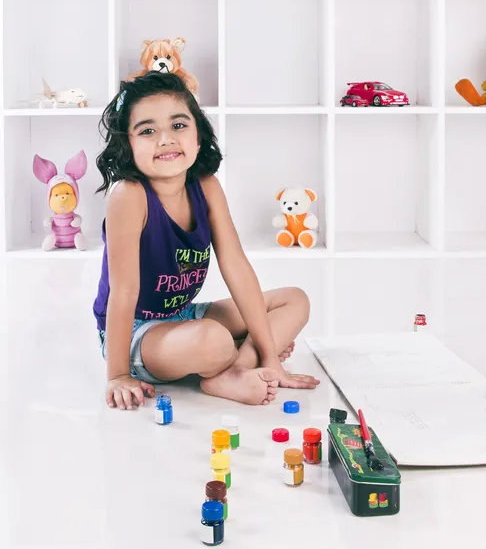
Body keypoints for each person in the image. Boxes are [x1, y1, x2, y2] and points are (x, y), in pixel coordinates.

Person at [93, 72, 319, 411]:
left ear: (199, 137)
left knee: (294, 300)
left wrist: (271, 357)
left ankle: (239, 367)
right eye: (148, 130)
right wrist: (118, 375)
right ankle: (232, 355)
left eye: (179, 126)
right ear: (128, 145)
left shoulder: (206, 185)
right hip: (136, 331)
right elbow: (123, 292)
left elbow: (235, 265)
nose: (165, 139)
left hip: (183, 316)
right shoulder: (129, 195)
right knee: (214, 339)